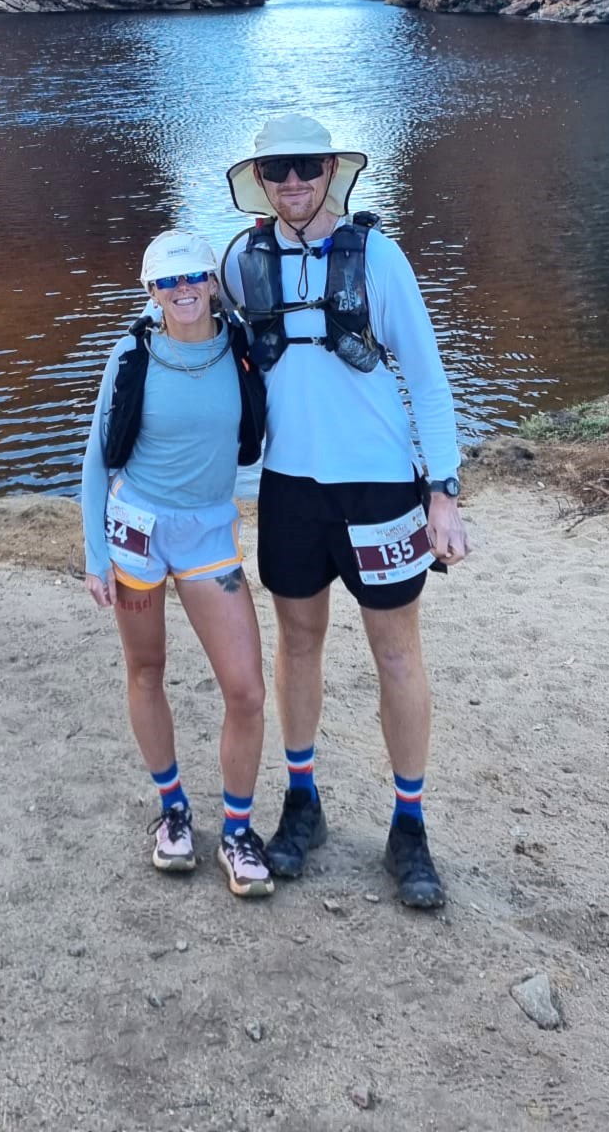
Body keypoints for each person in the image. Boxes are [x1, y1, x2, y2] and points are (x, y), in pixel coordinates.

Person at [220, 112, 469, 910]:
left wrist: (444, 489)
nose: (293, 182)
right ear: (260, 180)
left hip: (378, 486)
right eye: (277, 169)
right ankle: (303, 801)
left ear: (332, 171)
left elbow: (426, 377)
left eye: (307, 167)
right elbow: (190, 341)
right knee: (297, 646)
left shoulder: (379, 257)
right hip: (288, 488)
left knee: (397, 653)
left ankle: (409, 824)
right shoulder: (238, 260)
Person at [81, 229, 274, 898]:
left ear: (213, 282)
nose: (182, 290)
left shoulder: (244, 347)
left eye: (194, 276)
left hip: (209, 535)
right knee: (146, 670)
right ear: (149, 291)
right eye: (167, 282)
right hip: (136, 531)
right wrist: (95, 554)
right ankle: (173, 811)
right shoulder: (132, 354)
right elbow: (97, 459)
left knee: (246, 689)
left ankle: (240, 831)